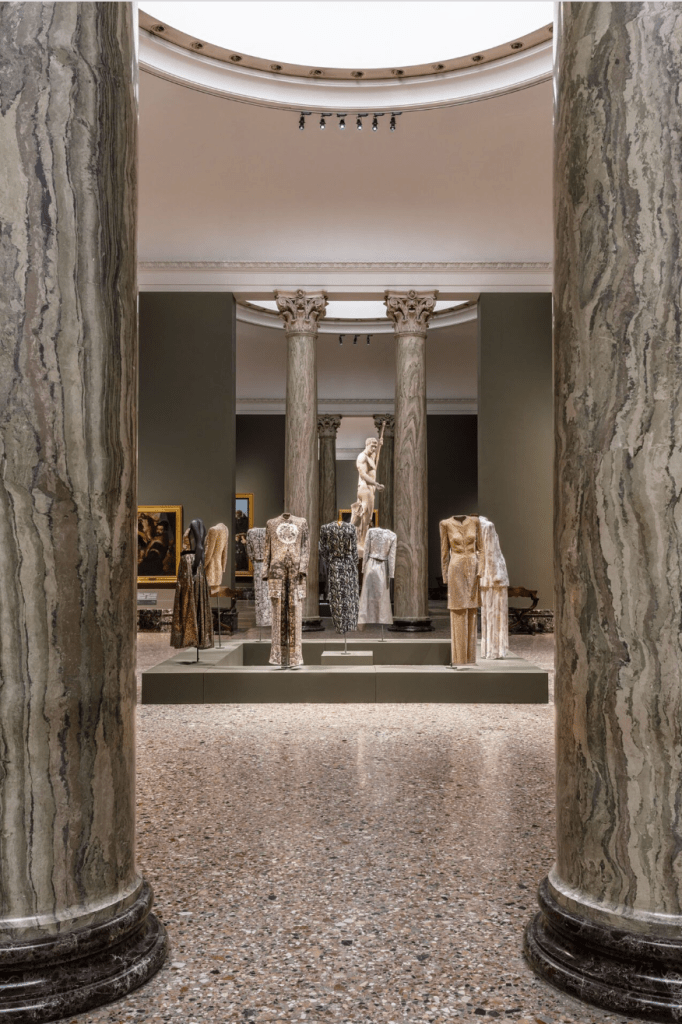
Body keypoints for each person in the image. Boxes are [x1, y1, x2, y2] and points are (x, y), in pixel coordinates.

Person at [352, 436, 384, 557]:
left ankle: (363, 540)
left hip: (370, 489)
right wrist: (376, 484)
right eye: (372, 446)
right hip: (364, 488)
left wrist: (379, 445)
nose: (374, 448)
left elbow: (375, 458)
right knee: (364, 515)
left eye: (375, 446)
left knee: (369, 516)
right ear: (367, 445)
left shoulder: (372, 455)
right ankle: (360, 542)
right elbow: (363, 475)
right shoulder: (362, 457)